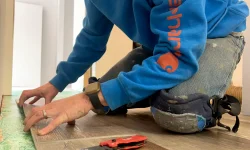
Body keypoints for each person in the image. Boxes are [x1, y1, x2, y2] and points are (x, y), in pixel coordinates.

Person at [19, 0, 248, 136]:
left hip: (217, 35)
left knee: (178, 114)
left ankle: (174, 94)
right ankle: (159, 80)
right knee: (103, 103)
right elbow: (92, 37)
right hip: (166, 44)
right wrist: (56, 83)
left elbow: (180, 55)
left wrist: (88, 100)